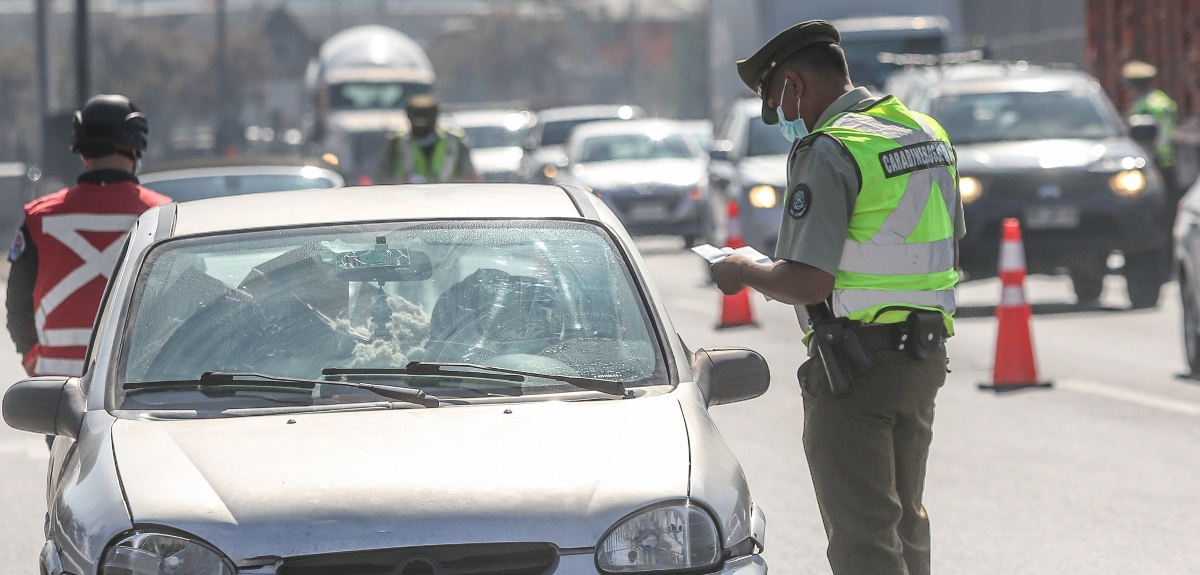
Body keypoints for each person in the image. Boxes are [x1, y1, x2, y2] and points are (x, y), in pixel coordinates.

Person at [709, 20, 964, 575]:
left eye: (780, 102)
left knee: (863, 541)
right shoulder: (925, 133)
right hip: (923, 359)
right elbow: (944, 244)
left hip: (858, 370)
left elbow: (807, 281)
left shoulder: (830, 149)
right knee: (904, 526)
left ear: (795, 84)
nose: (788, 118)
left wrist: (743, 269)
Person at [7, 94, 171, 377]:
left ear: (81, 151)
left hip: (55, 390)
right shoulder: (164, 215)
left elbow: (17, 304)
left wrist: (32, 357)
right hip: (136, 386)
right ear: (136, 147)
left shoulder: (39, 218)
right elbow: (188, 301)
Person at [376, 94, 479, 184]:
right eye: (417, 122)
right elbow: (381, 178)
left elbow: (471, 178)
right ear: (408, 117)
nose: (422, 128)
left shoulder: (454, 140)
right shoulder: (397, 141)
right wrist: (400, 184)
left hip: (448, 202)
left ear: (435, 117)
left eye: (426, 121)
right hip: (407, 202)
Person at [1122, 59, 1179, 202]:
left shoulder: (1144, 107)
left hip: (1153, 161)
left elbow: (1143, 137)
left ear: (1133, 85)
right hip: (1168, 159)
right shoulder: (1160, 98)